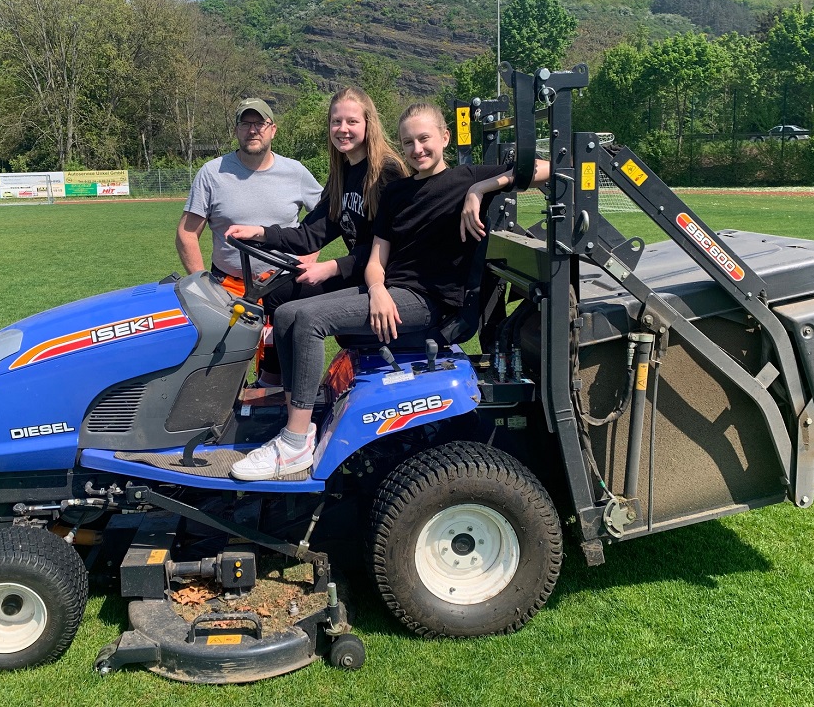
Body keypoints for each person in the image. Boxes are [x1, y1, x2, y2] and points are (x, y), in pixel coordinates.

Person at [230, 101, 551, 481]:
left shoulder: (467, 177)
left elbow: (544, 169)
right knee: (285, 313)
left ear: (444, 137)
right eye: (409, 142)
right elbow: (377, 256)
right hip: (391, 291)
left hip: (430, 303)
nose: (418, 149)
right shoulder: (397, 192)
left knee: (310, 320)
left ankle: (295, 442)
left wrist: (481, 188)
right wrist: (378, 288)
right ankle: (294, 426)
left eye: (425, 139)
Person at [224, 87, 408, 380]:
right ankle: (272, 383)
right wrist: (260, 233)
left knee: (293, 308)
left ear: (368, 124)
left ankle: (291, 394)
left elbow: (389, 247)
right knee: (276, 294)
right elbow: (310, 235)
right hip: (356, 270)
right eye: (336, 122)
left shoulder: (386, 173)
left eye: (351, 122)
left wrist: (331, 267)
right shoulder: (343, 174)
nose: (342, 129)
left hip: (383, 278)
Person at [175, 97, 323, 295]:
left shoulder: (296, 172)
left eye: (260, 123)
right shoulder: (212, 173)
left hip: (285, 282)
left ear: (273, 130)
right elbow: (187, 234)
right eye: (245, 124)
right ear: (236, 130)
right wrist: (204, 286)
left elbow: (325, 216)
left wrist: (310, 256)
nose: (252, 130)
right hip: (228, 287)